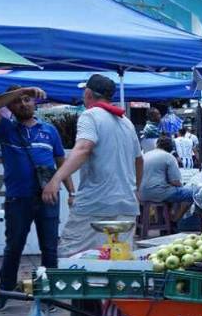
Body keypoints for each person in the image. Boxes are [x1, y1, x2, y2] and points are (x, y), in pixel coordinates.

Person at [0, 86, 72, 311]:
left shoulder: (49, 131)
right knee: (14, 247)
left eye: (27, 100)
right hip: (18, 199)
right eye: (18, 101)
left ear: (34, 104)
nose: (23, 104)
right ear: (10, 107)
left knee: (49, 249)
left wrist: (71, 191)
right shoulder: (6, 130)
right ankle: (3, 293)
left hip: (49, 198)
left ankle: (47, 296)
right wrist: (23, 90)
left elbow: (61, 163)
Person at [43, 74, 142, 256]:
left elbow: (83, 148)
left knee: (70, 257)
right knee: (116, 261)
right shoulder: (126, 122)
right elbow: (139, 159)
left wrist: (56, 179)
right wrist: (136, 189)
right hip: (126, 206)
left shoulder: (90, 116)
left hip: (95, 206)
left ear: (88, 93)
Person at [140, 135, 194, 220]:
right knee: (191, 193)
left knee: (173, 192)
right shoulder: (169, 157)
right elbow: (175, 182)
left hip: (141, 194)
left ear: (156, 145)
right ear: (171, 148)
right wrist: (181, 185)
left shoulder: (146, 155)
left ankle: (165, 220)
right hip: (158, 193)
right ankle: (175, 220)